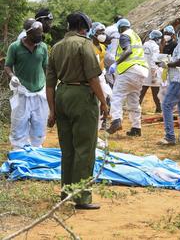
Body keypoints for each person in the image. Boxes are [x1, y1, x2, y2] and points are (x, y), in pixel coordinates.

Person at [46, 12, 108, 210]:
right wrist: (104, 103)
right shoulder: (84, 45)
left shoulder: (56, 47)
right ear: (84, 26)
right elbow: (93, 77)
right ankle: (81, 197)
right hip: (82, 96)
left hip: (61, 93)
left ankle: (66, 192)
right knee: (85, 148)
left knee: (68, 148)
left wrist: (52, 111)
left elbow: (49, 84)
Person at [4, 19, 49, 150]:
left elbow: (46, 67)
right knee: (19, 123)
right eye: (36, 35)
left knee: (39, 124)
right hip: (22, 92)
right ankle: (18, 152)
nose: (39, 37)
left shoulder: (43, 47)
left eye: (40, 34)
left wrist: (50, 85)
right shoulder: (15, 47)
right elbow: (8, 66)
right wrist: (12, 76)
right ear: (28, 33)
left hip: (40, 92)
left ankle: (36, 150)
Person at [106, 18, 148, 137]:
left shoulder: (124, 36)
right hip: (140, 72)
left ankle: (116, 120)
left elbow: (128, 51)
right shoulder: (136, 36)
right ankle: (136, 127)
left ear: (120, 28)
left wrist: (116, 63)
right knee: (133, 100)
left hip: (129, 70)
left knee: (117, 96)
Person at [140, 30, 162, 113]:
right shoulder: (155, 47)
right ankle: (159, 109)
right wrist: (154, 73)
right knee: (156, 91)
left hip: (144, 70)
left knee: (142, 91)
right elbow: (154, 60)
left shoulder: (145, 44)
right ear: (157, 38)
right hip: (152, 72)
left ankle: (136, 108)